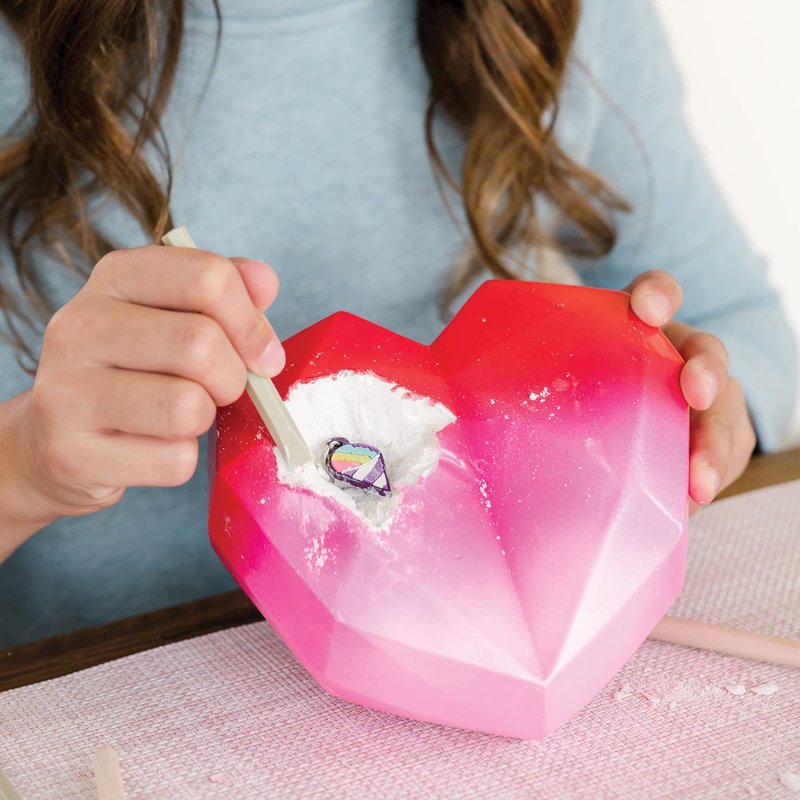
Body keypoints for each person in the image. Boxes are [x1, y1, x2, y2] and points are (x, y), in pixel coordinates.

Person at [0, 0, 795, 647]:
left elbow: (743, 325)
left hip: (490, 649)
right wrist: (26, 470)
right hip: (109, 697)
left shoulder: (559, 15)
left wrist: (694, 409)